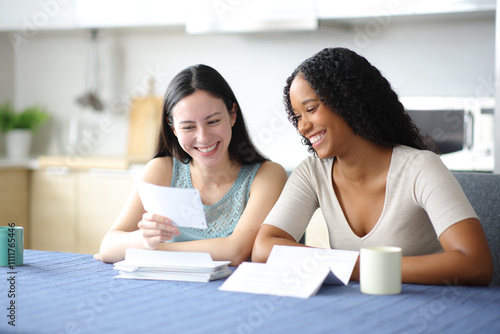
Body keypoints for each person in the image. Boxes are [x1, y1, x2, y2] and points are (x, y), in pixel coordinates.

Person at [252, 48, 493, 286]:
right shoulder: (313, 172)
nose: (302, 127)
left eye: (311, 109)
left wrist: (352, 266)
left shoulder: (420, 168)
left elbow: (476, 263)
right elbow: (263, 248)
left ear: (347, 100)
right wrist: (345, 264)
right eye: (297, 116)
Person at [98, 64, 287, 265]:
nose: (203, 137)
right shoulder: (161, 170)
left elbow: (235, 251)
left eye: (213, 121)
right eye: (188, 126)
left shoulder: (267, 175)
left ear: (232, 115)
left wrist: (149, 250)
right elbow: (108, 247)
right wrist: (143, 238)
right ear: (173, 128)